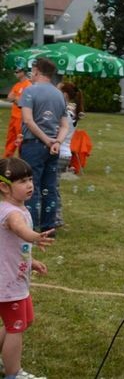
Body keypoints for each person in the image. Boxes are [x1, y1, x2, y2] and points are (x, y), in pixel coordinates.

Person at [0, 157, 55, 379]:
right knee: (16, 327)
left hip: (16, 278)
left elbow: (12, 246)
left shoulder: (18, 207)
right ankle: (13, 373)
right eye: (22, 181)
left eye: (30, 179)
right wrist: (35, 237)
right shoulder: (10, 213)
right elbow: (20, 230)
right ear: (4, 187)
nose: (30, 185)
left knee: (25, 320)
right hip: (7, 282)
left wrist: (31, 262)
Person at [18, 58, 69, 234]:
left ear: (37, 71)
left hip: (33, 144)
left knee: (31, 186)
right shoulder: (59, 94)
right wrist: (57, 142)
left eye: (32, 70)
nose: (31, 74)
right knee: (50, 186)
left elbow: (28, 120)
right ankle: (49, 226)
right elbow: (65, 125)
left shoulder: (29, 91)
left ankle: (30, 226)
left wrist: (47, 140)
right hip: (53, 148)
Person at [53, 82, 84, 228]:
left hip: (59, 153)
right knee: (54, 187)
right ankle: (56, 218)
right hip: (65, 154)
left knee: (52, 188)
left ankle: (56, 218)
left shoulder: (64, 111)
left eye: (57, 90)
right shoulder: (73, 111)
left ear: (64, 94)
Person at [3, 67, 31, 158]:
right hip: (13, 116)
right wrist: (16, 98)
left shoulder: (28, 85)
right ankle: (7, 160)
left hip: (21, 118)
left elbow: (22, 102)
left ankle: (21, 161)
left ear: (24, 72)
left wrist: (15, 98)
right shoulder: (17, 85)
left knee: (20, 141)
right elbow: (9, 97)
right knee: (10, 139)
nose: (15, 73)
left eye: (17, 71)